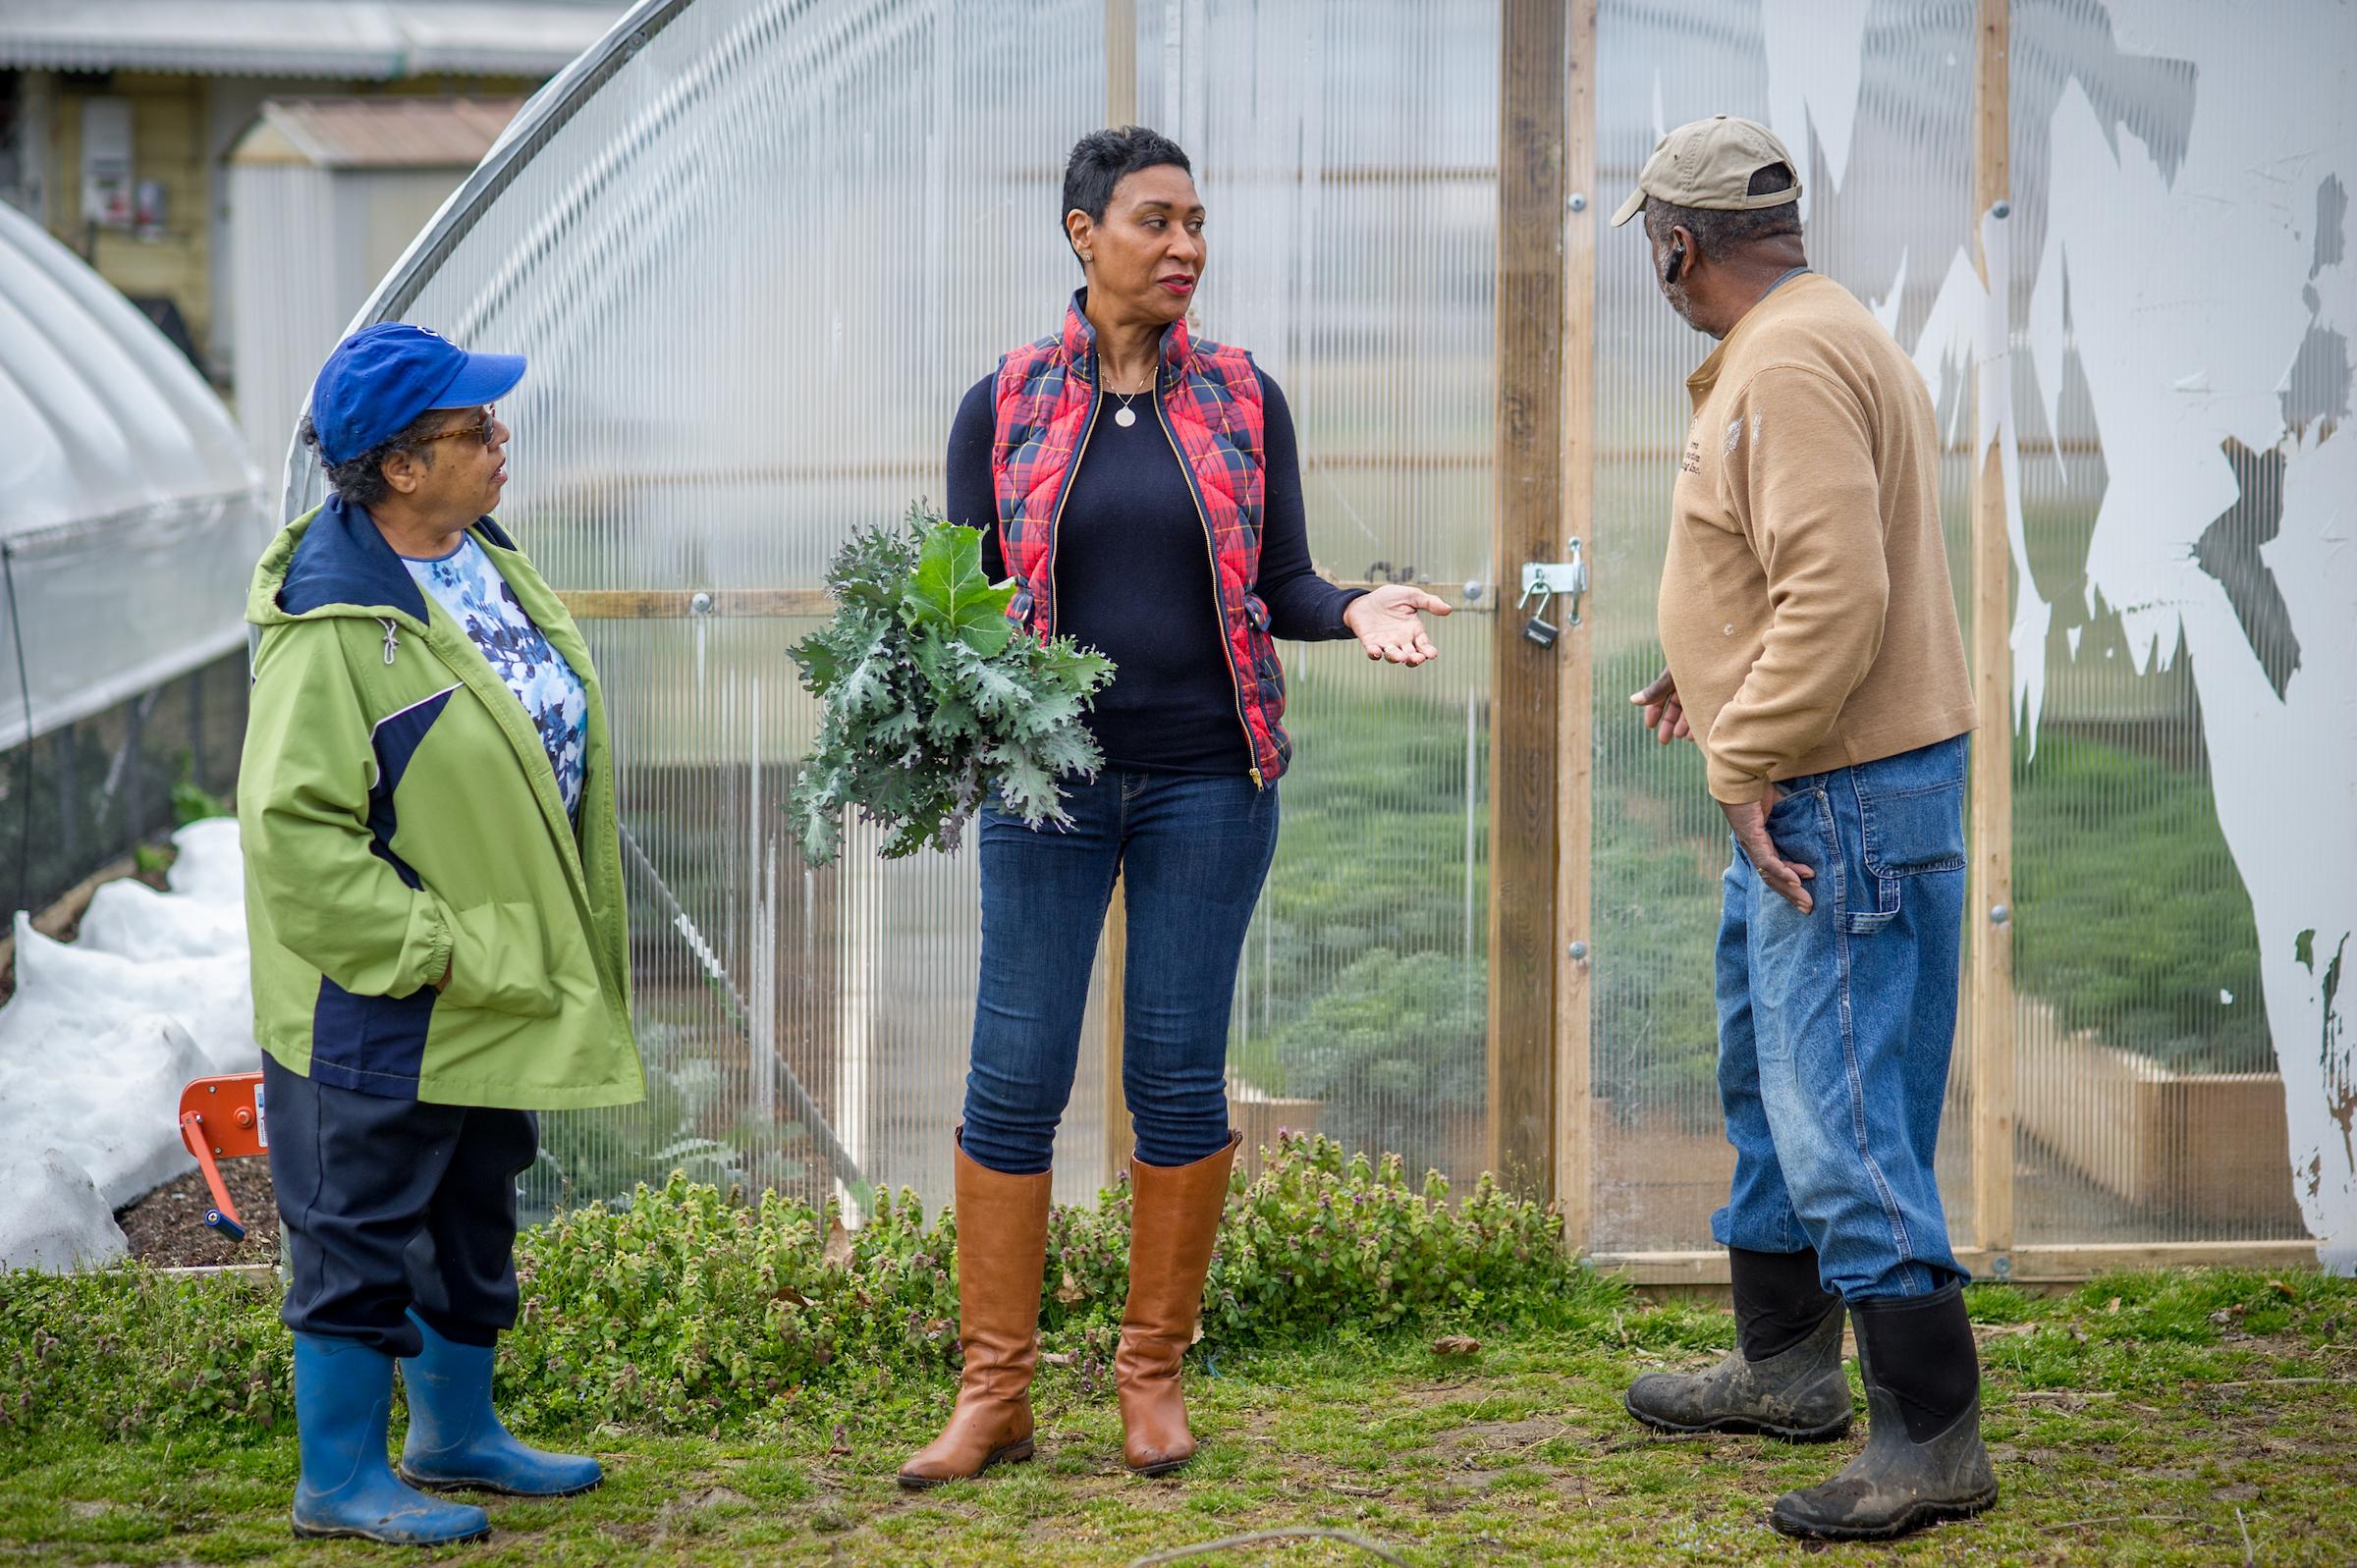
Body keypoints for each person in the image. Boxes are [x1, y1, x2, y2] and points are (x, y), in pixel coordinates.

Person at [898, 126, 1451, 1488]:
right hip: (1051, 789)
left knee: (1174, 1077)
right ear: (1083, 234)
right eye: (1156, 221)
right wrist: (927, 685)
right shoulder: (1007, 401)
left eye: (1197, 223)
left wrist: (1353, 605)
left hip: (1209, 779)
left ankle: (1152, 1377)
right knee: (1013, 1078)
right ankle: (996, 1392)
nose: (1186, 246)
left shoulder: (1243, 398)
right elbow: (962, 598)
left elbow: (1284, 580)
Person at [1608, 116, 1996, 1541]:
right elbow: (1803, 563)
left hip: (1835, 794)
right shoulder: (1818, 331)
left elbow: (1841, 596)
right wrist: (1707, 666)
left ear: (1675, 244)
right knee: (1773, 1083)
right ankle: (1785, 1369)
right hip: (1824, 774)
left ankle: (1930, 1437)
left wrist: (1744, 747)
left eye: (1652, 241)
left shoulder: (1786, 364)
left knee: (1841, 1112)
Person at [241, 323, 643, 1544]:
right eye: (475, 429)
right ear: (401, 467)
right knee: (356, 1224)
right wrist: (431, 946)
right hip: (385, 989)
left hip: (486, 970)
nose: (499, 439)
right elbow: (293, 836)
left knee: (471, 1204)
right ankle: (338, 1480)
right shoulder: (335, 628)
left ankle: (456, 1435)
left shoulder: (474, 562)